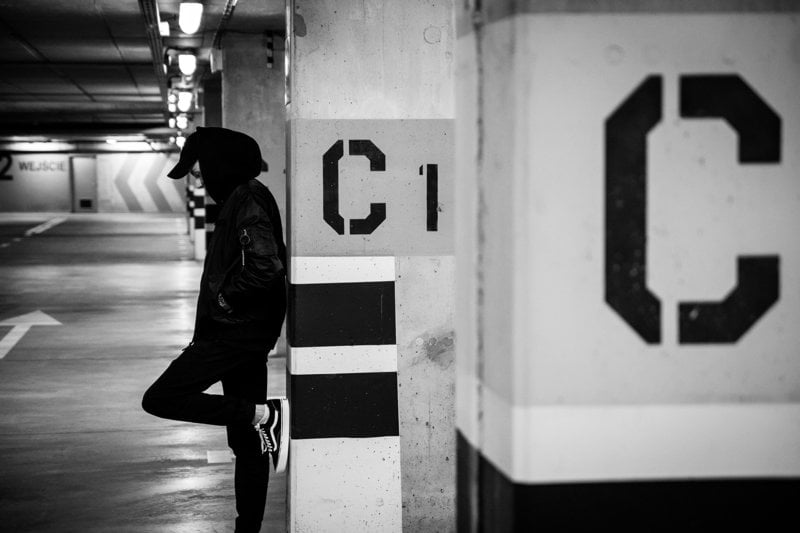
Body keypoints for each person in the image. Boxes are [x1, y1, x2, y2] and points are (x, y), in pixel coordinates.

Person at [142, 127, 289, 533]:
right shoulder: (241, 199)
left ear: (221, 164)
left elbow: (266, 266)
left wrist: (225, 301)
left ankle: (266, 413)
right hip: (244, 334)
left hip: (234, 334)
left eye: (204, 169)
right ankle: (248, 528)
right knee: (247, 442)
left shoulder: (247, 199)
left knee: (162, 397)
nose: (202, 179)